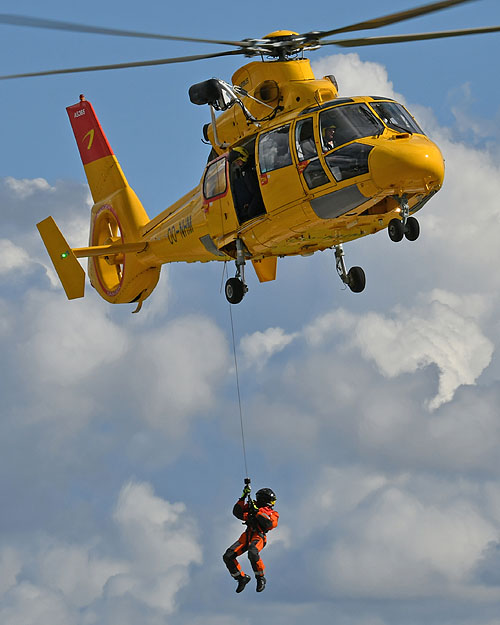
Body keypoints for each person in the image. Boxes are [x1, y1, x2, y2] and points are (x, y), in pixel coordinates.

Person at [223, 483, 279, 593]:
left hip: (259, 536)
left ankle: (260, 578)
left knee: (253, 553)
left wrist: (257, 512)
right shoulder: (251, 507)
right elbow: (237, 513)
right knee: (228, 556)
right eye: (272, 501)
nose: (273, 504)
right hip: (247, 535)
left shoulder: (272, 513)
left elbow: (269, 524)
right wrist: (243, 496)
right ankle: (241, 578)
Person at [229, 147, 265, 223]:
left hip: (261, 195)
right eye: (236, 163)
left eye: (238, 161)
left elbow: (257, 190)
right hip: (255, 196)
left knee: (251, 213)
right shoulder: (244, 171)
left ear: (243, 156)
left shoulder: (253, 165)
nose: (238, 164)